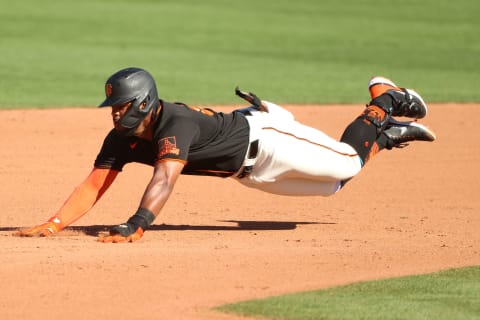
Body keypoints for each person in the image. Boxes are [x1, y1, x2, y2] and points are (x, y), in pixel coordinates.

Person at [15, 67, 436, 242]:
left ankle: (383, 101)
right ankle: (387, 137)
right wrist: (54, 225)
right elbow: (94, 185)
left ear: (143, 102)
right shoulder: (120, 141)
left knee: (348, 162)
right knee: (334, 185)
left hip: (270, 137)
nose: (116, 114)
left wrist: (137, 224)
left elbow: (165, 177)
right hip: (249, 171)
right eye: (114, 108)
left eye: (122, 106)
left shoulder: (173, 122)